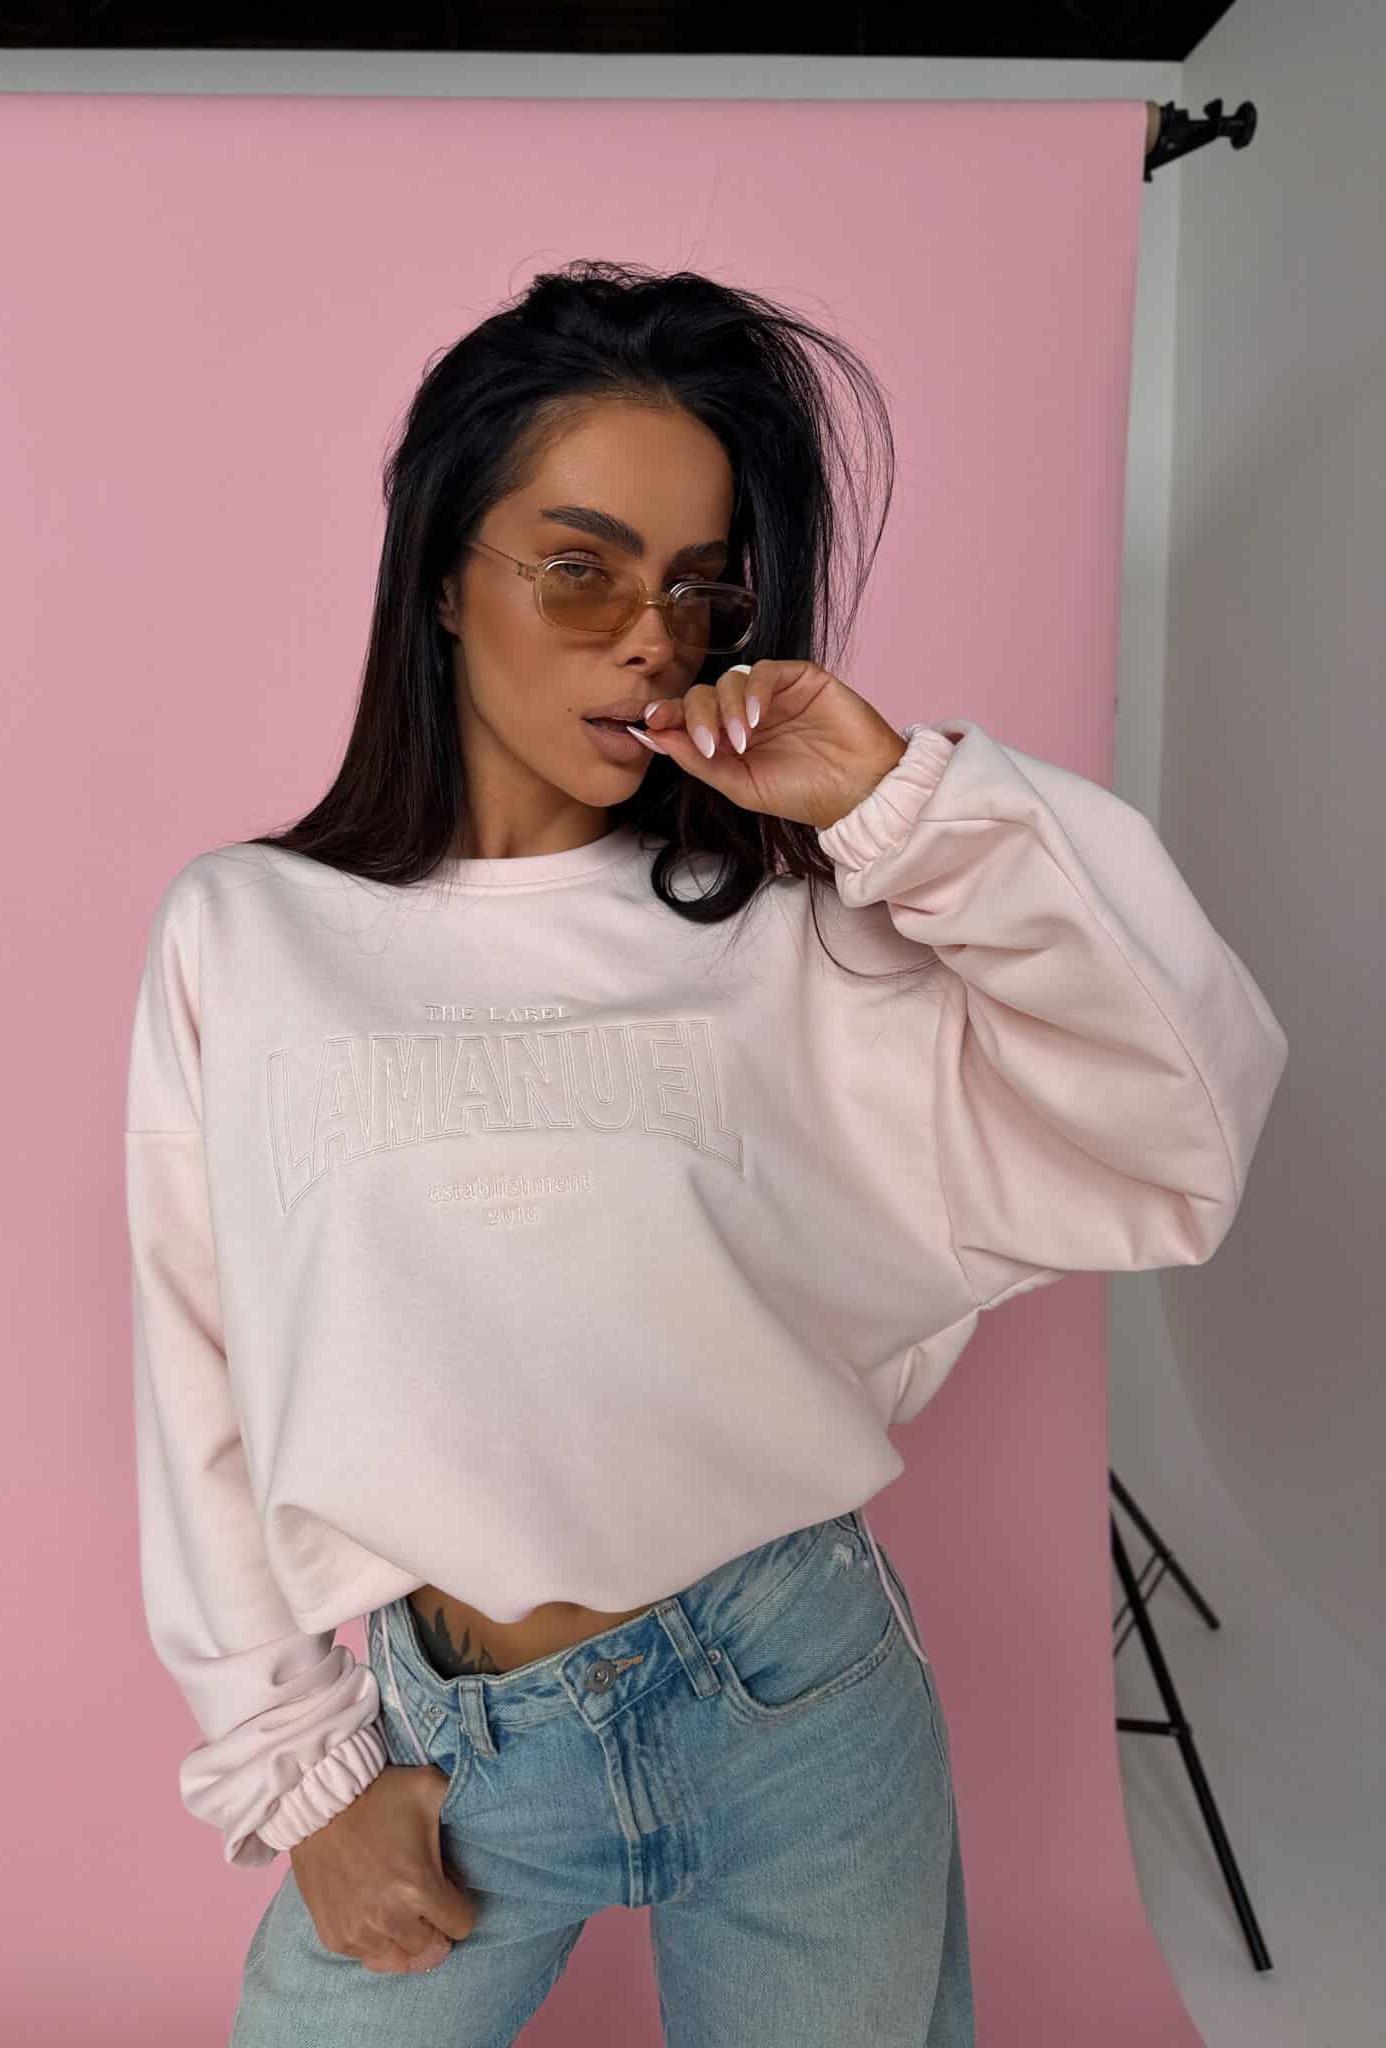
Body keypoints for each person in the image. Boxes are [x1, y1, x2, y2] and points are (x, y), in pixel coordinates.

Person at [122, 261, 1290, 2046]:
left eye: (699, 587)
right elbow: (195, 1363)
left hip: (793, 1696)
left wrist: (900, 804)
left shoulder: (793, 928)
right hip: (457, 1737)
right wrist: (300, 1772)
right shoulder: (248, 932)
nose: (650, 638)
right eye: (580, 568)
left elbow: (1182, 1117)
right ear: (441, 576)